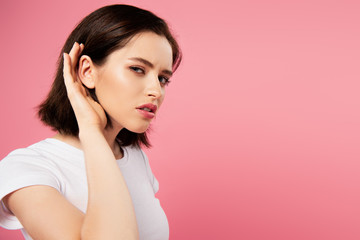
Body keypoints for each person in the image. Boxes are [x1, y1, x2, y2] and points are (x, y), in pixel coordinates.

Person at [0, 4, 181, 240]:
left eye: (162, 78)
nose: (155, 91)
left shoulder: (133, 156)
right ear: (87, 71)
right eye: (137, 69)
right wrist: (91, 132)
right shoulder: (26, 169)